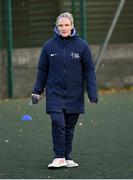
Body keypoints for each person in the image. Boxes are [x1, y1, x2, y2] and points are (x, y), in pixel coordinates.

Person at [31, 12, 98, 168]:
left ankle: (67, 157)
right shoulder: (48, 46)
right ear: (56, 26)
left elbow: (89, 71)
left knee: (69, 126)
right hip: (54, 92)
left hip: (75, 94)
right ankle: (59, 156)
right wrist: (37, 90)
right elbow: (42, 70)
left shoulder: (82, 45)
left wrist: (92, 94)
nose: (64, 28)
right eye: (60, 25)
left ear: (72, 26)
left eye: (67, 25)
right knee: (57, 122)